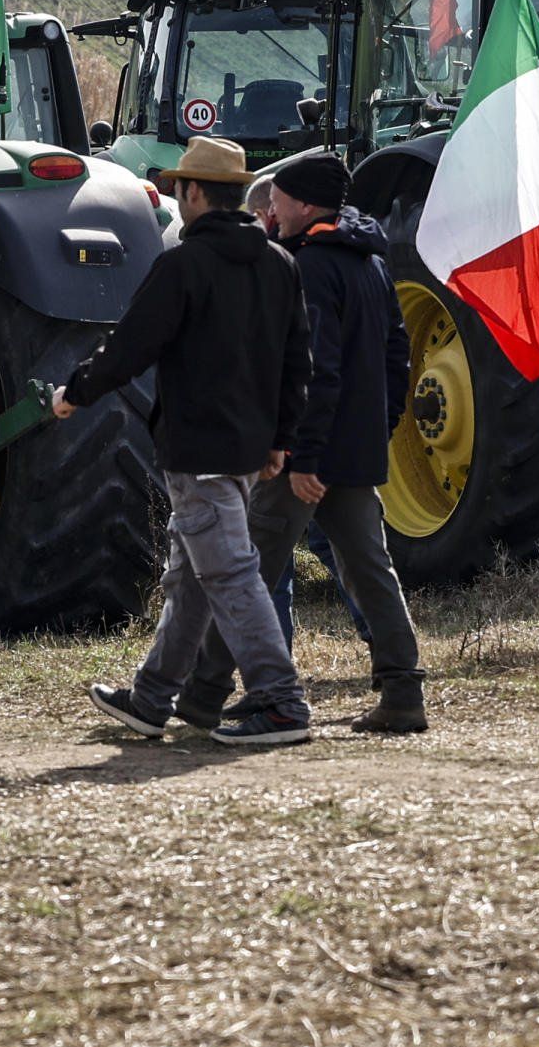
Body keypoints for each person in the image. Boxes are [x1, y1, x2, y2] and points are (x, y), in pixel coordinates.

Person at [62, 136, 314, 747]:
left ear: (195, 193)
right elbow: (296, 362)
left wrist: (77, 392)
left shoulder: (183, 265)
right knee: (193, 577)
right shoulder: (280, 263)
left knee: (229, 574)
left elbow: (130, 346)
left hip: (198, 449)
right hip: (248, 448)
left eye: (179, 189)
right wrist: (280, 439)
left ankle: (282, 702)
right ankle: (152, 699)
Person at [181, 153, 427, 736]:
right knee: (370, 569)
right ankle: (402, 692)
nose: (270, 209)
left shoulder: (311, 267)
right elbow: (398, 354)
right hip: (353, 450)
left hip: (307, 459)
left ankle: (204, 694)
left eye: (279, 200)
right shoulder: (371, 263)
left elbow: (317, 372)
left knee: (246, 573)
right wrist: (378, 428)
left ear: (307, 204)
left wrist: (304, 457)